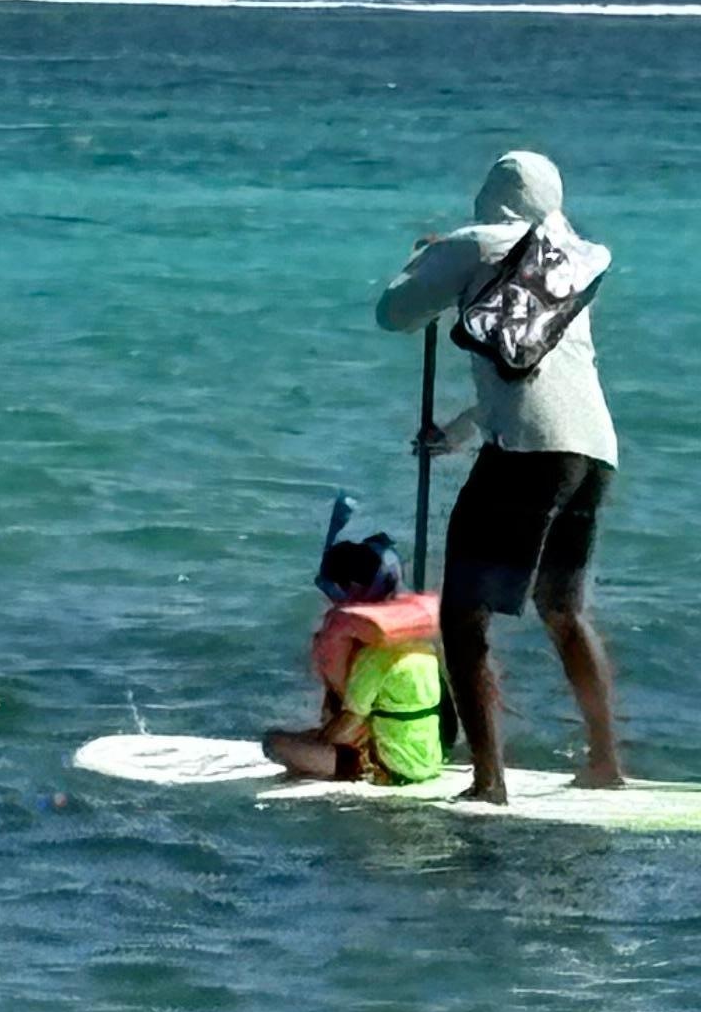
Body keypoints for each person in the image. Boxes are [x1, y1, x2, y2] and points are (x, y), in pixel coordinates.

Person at [376, 149, 625, 804]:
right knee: (563, 610)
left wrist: (425, 262)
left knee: (463, 614)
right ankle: (605, 763)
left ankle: (488, 782)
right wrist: (457, 433)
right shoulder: (565, 262)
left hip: (526, 455)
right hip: (592, 452)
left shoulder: (475, 243)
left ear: (492, 194)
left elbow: (394, 313)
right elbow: (531, 373)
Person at [264, 530, 447, 784]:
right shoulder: (422, 649)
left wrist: (321, 743)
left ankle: (354, 768)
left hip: (386, 763)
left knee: (274, 744)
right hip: (427, 757)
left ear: (353, 588)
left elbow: (351, 720)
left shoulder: (373, 659)